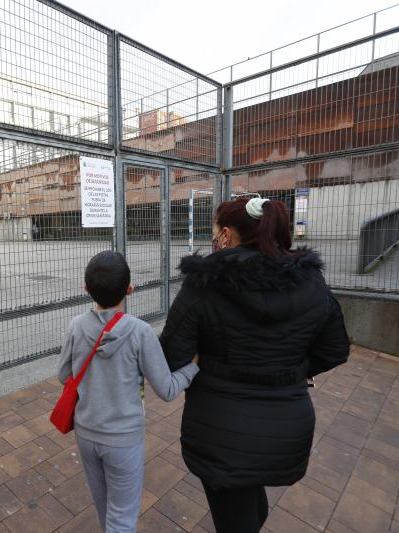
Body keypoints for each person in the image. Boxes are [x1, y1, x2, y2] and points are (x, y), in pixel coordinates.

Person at [159, 197, 349, 533]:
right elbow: (334, 350)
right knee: (246, 506)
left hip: (220, 431)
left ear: (228, 235)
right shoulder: (310, 280)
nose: (214, 238)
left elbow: (172, 355)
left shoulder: (205, 283)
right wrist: (290, 370)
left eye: (216, 231)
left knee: (235, 516)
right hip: (287, 425)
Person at [58, 250, 199, 533]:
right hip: (123, 439)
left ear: (86, 289)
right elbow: (168, 389)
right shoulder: (140, 332)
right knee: (122, 517)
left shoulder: (76, 326)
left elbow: (64, 375)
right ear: (130, 288)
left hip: (86, 433)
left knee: (104, 506)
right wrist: (194, 366)